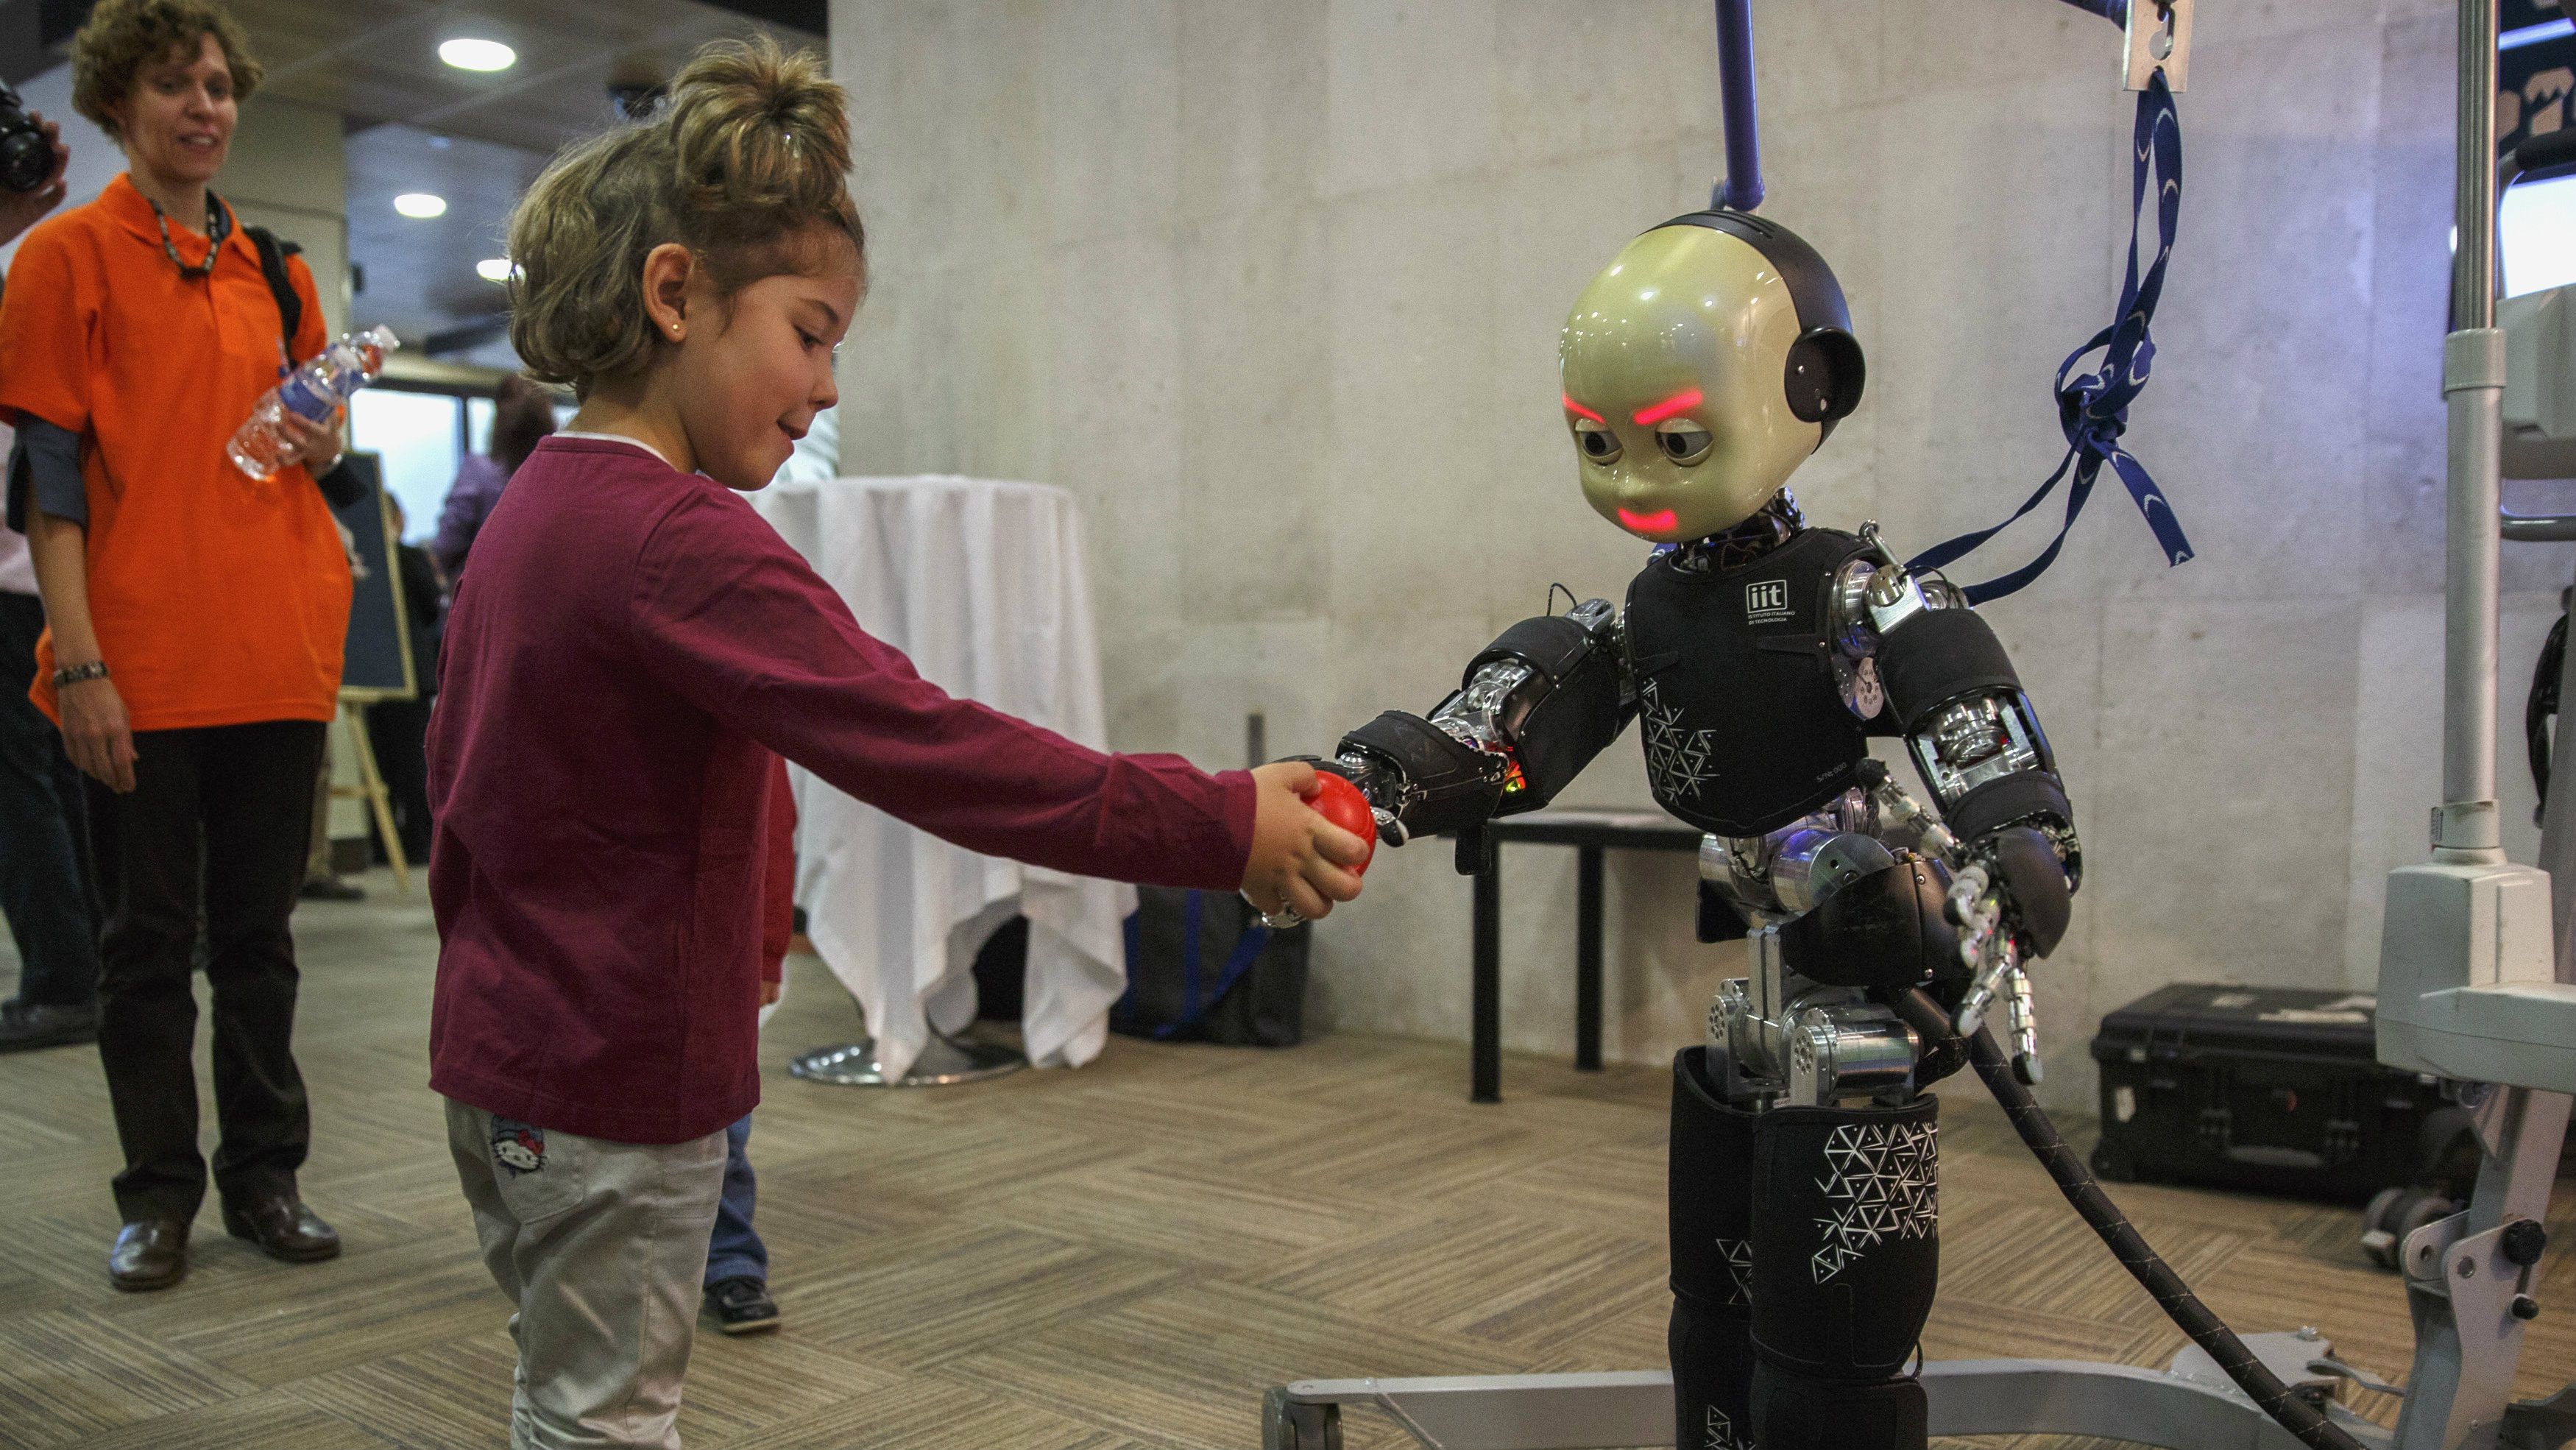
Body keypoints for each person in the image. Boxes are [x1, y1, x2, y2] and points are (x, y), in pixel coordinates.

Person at [428, 37, 1366, 1448]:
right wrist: (1218, 821)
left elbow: (462, 793)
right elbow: (930, 748)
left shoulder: (532, 510)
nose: (828, 387)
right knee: (607, 1422)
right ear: (675, 294)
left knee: (562, 1396)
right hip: (618, 1084)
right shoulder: (681, 541)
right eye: (810, 334)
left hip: (504, 1064)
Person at [0, 0, 351, 1291]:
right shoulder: (63, 257)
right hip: (139, 655)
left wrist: (326, 439)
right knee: (143, 948)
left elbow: (317, 441)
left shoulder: (277, 263)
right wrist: (81, 662)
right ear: (115, 105)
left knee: (259, 942)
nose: (203, 106)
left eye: (216, 84)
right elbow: (49, 486)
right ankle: (157, 1196)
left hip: (276, 643)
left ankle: (267, 1177)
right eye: (171, 84)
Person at [0, 109, 100, 1054]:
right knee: (49, 779)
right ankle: (82, 967)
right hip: (36, 570)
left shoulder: (37, 274)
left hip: (18, 573)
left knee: (22, 784)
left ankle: (66, 977)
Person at [703, 757, 796, 1340]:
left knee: (720, 1121)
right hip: (596, 931)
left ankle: (729, 1259)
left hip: (712, 943)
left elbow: (771, 828)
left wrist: (764, 950)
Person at [363, 493, 442, 864]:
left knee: (382, 764)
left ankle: (383, 844)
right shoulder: (409, 558)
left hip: (371, 672)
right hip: (410, 672)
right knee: (414, 761)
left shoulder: (364, 560)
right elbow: (431, 606)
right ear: (397, 519)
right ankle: (419, 842)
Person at [431, 375, 554, 582]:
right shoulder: (556, 479)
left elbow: (447, 543)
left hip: (481, 590)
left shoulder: (479, 472)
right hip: (540, 590)